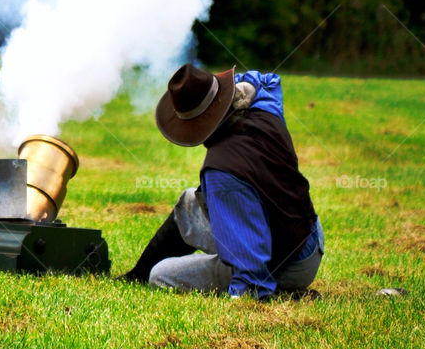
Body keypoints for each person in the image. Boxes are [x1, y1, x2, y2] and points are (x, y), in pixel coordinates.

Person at [119, 64, 324, 300]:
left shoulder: (222, 172)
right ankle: (136, 275)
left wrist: (246, 297)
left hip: (289, 266)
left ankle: (286, 292)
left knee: (161, 275)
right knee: (189, 202)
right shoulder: (264, 106)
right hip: (308, 237)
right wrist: (243, 87)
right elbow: (268, 80)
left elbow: (251, 273)